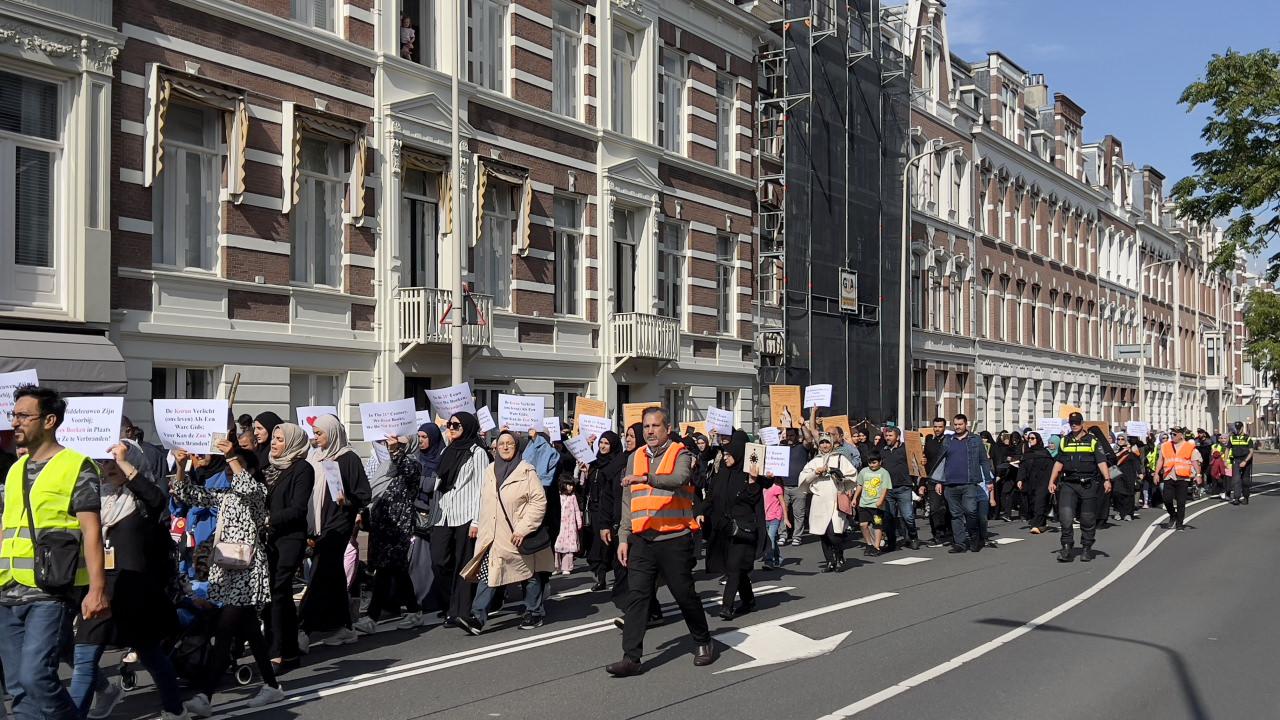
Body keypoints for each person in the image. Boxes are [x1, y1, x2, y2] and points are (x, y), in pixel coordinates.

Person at [0, 385, 109, 720]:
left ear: (49, 420)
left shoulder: (78, 465)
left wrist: (97, 589)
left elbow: (92, 530)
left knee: (36, 677)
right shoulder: (15, 468)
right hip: (7, 588)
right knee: (19, 685)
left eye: (23, 416)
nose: (15, 422)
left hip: (50, 588)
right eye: (13, 415)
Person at [69, 440, 184, 720]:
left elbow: (157, 499)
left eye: (114, 461)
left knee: (151, 656)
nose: (108, 467)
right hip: (99, 589)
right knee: (84, 661)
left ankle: (175, 710)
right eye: (105, 462)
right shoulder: (95, 498)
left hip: (135, 593)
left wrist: (123, 460)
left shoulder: (142, 502)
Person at [173, 437, 282, 716]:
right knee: (249, 632)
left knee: (224, 631)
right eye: (230, 468)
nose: (231, 472)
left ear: (250, 469)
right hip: (226, 570)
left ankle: (205, 697)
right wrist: (182, 467)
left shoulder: (257, 490)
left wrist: (233, 454)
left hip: (247, 570)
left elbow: (247, 486)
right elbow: (187, 493)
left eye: (237, 467)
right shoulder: (225, 494)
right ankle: (271, 685)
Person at [605, 408, 715, 677]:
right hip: (642, 539)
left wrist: (646, 478)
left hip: (673, 538)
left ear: (667, 428)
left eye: (655, 426)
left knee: (683, 594)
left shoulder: (681, 453)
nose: (650, 431)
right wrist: (623, 537)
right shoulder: (634, 457)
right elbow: (628, 501)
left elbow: (679, 479)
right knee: (638, 597)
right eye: (646, 427)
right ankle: (631, 658)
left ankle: (703, 641)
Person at [458, 430, 553, 633]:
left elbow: (538, 502)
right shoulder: (490, 470)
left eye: (510, 443)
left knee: (529, 573)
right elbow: (483, 501)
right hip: (494, 535)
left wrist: (523, 528)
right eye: (501, 444)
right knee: (489, 572)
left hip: (518, 535)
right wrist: (477, 524)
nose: (505, 447)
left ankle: (534, 612)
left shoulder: (527, 471)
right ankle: (477, 617)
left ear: (517, 446)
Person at [301, 416, 371, 646]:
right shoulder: (316, 457)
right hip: (320, 525)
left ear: (332, 433)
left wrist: (346, 501)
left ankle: (304, 628)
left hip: (339, 524)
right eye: (314, 433)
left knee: (321, 572)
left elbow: (363, 494)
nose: (316, 438)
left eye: (320, 433)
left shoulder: (349, 458)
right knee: (333, 575)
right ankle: (343, 626)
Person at [353, 435, 423, 634]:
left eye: (402, 444)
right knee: (396, 570)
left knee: (386, 569)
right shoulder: (388, 465)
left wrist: (395, 450)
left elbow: (406, 470)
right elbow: (375, 488)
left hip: (399, 526)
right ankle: (414, 610)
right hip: (382, 523)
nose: (395, 447)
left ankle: (372, 617)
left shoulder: (413, 465)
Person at [698, 430, 768, 620]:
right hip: (724, 527)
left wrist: (754, 481)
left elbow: (751, 499)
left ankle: (726, 606)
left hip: (744, 529)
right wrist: (700, 512)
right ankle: (749, 600)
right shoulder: (722, 473)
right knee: (738, 569)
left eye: (728, 454)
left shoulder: (750, 474)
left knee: (734, 567)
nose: (725, 457)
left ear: (738, 453)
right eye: (725, 454)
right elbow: (711, 496)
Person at [430, 412, 490, 626]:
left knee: (463, 563)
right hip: (443, 514)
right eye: (449, 425)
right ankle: (449, 603)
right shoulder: (447, 450)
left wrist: (476, 520)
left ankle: (460, 610)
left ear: (468, 427)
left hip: (465, 514)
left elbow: (481, 488)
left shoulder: (477, 452)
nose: (451, 428)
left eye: (456, 425)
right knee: (438, 560)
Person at [261, 421, 313, 669]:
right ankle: (290, 650)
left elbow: (298, 508)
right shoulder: (269, 468)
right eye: (274, 437)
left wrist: (270, 518)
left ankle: (278, 652)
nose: (274, 443)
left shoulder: (302, 468)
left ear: (292, 443)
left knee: (278, 592)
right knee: (273, 593)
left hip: (290, 539)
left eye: (280, 439)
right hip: (269, 539)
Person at [1048, 412, 1111, 562]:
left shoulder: (1093, 441)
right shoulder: (1065, 441)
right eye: (1071, 422)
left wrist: (1107, 479)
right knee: (1065, 517)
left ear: (1082, 423)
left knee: (1087, 518)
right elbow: (1059, 463)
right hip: (1069, 483)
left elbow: (1101, 461)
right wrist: (1052, 481)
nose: (1074, 425)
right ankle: (1066, 548)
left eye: (1076, 422)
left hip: (1088, 483)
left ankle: (1086, 548)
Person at [933, 414, 994, 554]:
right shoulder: (948, 440)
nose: (957, 427)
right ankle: (960, 543)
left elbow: (983, 461)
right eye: (955, 424)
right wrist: (938, 481)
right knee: (955, 515)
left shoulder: (975, 439)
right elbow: (941, 461)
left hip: (969, 483)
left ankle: (974, 538)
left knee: (971, 511)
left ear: (966, 424)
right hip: (950, 483)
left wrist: (989, 481)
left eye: (960, 424)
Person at [799, 434, 857, 571]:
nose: (825, 445)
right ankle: (830, 561)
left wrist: (835, 473)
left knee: (834, 532)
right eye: (822, 443)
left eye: (827, 443)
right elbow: (803, 479)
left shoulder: (840, 458)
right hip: (819, 500)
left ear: (832, 444)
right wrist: (815, 473)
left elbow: (852, 474)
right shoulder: (814, 461)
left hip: (835, 498)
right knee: (823, 532)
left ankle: (839, 557)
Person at [584, 431, 623, 591]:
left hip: (606, 510)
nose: (603, 446)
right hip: (593, 509)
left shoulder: (615, 464)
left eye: (606, 443)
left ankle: (608, 577)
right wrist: (585, 473)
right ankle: (600, 576)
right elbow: (586, 486)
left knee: (605, 545)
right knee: (594, 544)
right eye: (601, 443)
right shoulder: (594, 463)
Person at [877, 427, 919, 551]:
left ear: (897, 437)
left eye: (890, 435)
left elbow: (916, 462)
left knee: (908, 516)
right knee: (889, 517)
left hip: (903, 487)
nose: (888, 438)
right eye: (886, 435)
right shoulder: (882, 451)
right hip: (887, 489)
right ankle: (891, 542)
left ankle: (913, 537)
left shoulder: (905, 449)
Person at [1156, 427, 1200, 531]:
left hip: (1182, 477)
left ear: (1181, 435)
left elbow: (1194, 461)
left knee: (1181, 502)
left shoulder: (1189, 446)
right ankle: (1173, 514)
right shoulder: (1165, 446)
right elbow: (1160, 460)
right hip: (1169, 476)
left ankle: (1180, 523)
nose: (1172, 436)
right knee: (1167, 499)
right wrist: (1156, 473)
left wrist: (1198, 475)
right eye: (1171, 434)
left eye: (1174, 434)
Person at [1017, 432, 1055, 533]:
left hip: (1043, 482)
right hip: (1030, 482)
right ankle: (1041, 523)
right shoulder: (1027, 454)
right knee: (1032, 502)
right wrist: (1020, 479)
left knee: (1040, 501)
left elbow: (1050, 468)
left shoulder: (1045, 453)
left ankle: (1036, 525)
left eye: (1033, 438)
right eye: (1029, 438)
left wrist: (1051, 482)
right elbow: (1022, 467)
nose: (1030, 440)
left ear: (1038, 439)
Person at [781, 428, 812, 545]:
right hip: (783, 486)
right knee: (781, 513)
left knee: (798, 514)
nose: (789, 437)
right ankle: (783, 535)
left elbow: (809, 439)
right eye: (787, 435)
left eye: (791, 435)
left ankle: (797, 536)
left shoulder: (802, 447)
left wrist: (803, 425)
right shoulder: (781, 448)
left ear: (797, 436)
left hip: (799, 487)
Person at [853, 454, 889, 556]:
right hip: (864, 503)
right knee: (863, 524)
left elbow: (885, 488)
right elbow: (860, 485)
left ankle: (876, 546)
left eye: (874, 463)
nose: (872, 465)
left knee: (877, 525)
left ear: (880, 462)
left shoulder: (884, 473)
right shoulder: (864, 471)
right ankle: (869, 544)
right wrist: (855, 498)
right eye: (870, 463)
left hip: (877, 505)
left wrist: (881, 501)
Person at [555, 479, 582, 575]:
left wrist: (579, 522)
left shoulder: (573, 497)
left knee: (569, 547)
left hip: (570, 525)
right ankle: (556, 567)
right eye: (568, 485)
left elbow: (577, 510)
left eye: (572, 485)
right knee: (558, 546)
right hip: (560, 525)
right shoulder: (558, 496)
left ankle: (566, 567)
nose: (571, 487)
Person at [1112, 437, 1142, 522]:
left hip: (1129, 474)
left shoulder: (1132, 450)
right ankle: (1118, 511)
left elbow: (1136, 462)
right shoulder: (1114, 450)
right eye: (1118, 439)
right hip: (1117, 474)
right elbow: (1112, 460)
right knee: (1117, 493)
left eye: (1122, 439)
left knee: (1129, 494)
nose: (1120, 441)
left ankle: (1128, 513)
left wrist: (1139, 472)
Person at [762, 474, 788, 570]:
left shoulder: (777, 488)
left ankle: (769, 561)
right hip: (765, 517)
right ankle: (778, 558)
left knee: (770, 538)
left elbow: (782, 503)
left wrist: (785, 518)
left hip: (775, 517)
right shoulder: (763, 487)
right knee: (771, 539)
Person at [1229, 422, 1253, 505]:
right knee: (1236, 479)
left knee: (1245, 480)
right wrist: (1225, 460)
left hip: (1246, 460)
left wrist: (1245, 461)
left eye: (1239, 428)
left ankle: (1246, 497)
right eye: (1236, 428)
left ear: (1242, 428)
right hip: (1236, 460)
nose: (1238, 430)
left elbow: (1251, 452)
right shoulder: (1232, 438)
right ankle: (1236, 497)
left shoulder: (1247, 438)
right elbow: (1227, 449)